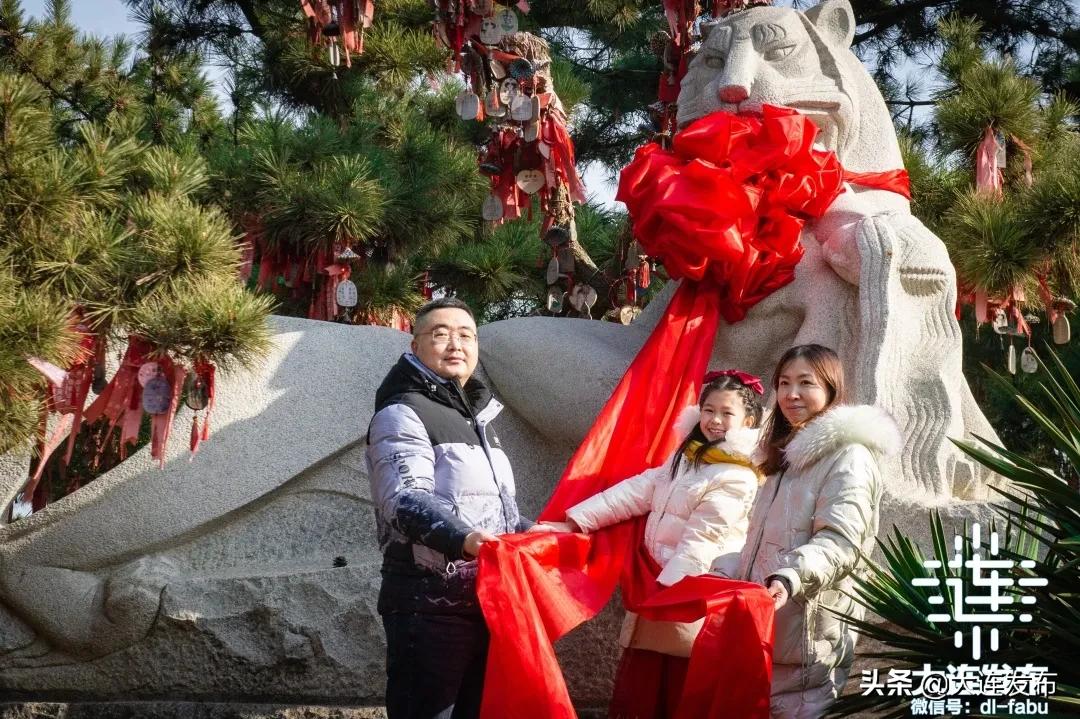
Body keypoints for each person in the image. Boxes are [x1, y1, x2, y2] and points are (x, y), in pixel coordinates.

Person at [535, 370, 766, 719]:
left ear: (747, 421)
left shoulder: (738, 475)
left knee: (671, 692)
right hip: (656, 588)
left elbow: (704, 540)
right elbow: (634, 493)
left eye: (726, 413)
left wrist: (668, 592)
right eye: (708, 410)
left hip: (687, 596)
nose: (715, 420)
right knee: (642, 689)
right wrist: (575, 521)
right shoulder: (686, 458)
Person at [365, 297, 535, 719]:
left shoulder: (478, 418)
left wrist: (540, 532)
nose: (455, 344)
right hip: (428, 602)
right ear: (415, 345)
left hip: (486, 598)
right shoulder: (402, 412)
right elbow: (404, 499)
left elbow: (494, 513)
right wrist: (466, 540)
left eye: (466, 335)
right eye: (440, 334)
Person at [711, 344, 901, 719]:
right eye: (783, 383)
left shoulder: (850, 457)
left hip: (808, 636)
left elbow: (841, 542)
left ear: (831, 388)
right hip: (769, 627)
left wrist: (791, 576)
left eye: (805, 383)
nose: (791, 394)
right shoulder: (785, 458)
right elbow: (766, 543)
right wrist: (725, 569)